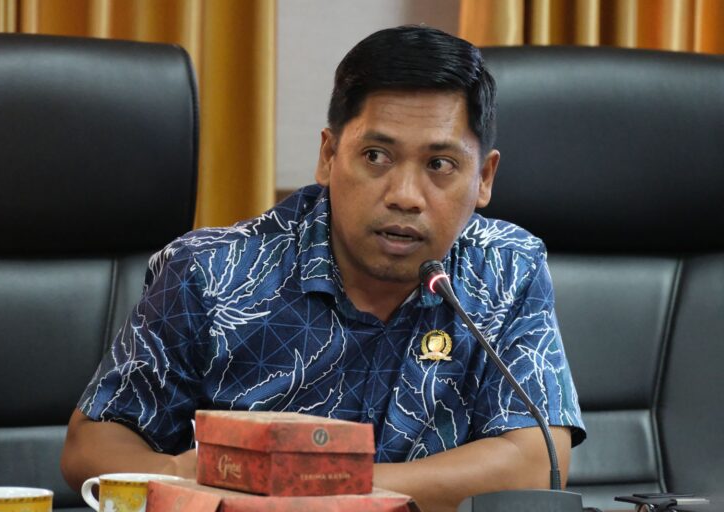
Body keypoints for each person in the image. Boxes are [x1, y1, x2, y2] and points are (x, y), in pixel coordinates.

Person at [61, 25, 585, 512]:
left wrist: (316, 492)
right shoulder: (211, 271)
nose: (405, 196)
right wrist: (182, 474)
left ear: (484, 178)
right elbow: (94, 442)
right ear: (329, 156)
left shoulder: (507, 268)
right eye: (376, 156)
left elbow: (536, 461)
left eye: (439, 165)